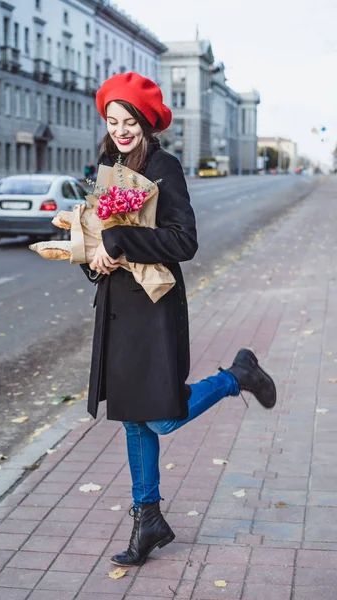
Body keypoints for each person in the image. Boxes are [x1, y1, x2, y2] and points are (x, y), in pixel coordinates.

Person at [81, 72, 276, 567]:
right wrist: (93, 257)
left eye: (130, 121)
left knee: (162, 415)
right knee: (130, 416)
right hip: (118, 308)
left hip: (154, 309)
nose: (122, 129)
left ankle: (237, 377)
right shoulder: (107, 164)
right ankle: (148, 519)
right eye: (113, 120)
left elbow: (183, 241)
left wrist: (119, 242)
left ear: (146, 122)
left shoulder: (164, 167)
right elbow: (99, 234)